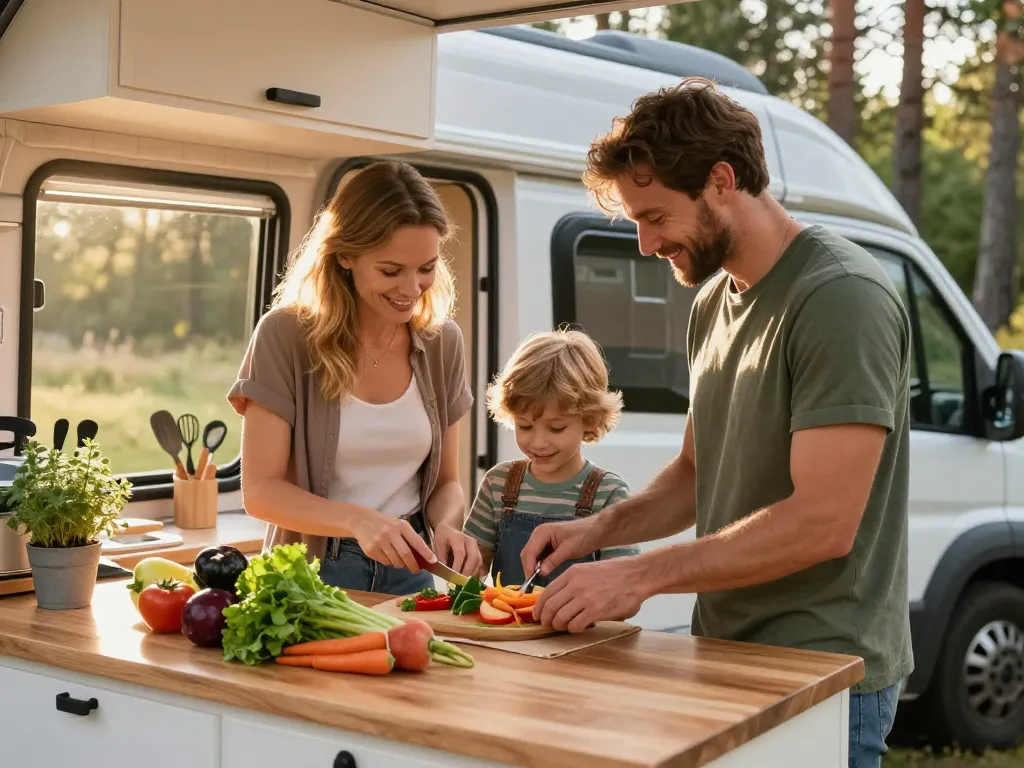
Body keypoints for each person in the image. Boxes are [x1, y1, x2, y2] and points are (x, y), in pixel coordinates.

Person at [520, 77, 914, 768]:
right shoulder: (712, 304)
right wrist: (597, 532)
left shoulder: (839, 298)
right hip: (726, 653)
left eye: (655, 216)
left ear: (722, 181)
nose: (644, 243)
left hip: (820, 675)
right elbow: (698, 475)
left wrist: (639, 577)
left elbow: (825, 521)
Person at [227, 160, 484, 595]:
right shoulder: (285, 336)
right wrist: (359, 521)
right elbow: (261, 492)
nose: (411, 288)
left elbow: (447, 483)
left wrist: (445, 527)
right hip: (312, 574)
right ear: (345, 255)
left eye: (426, 268)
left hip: (415, 569)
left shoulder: (443, 343)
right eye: (391, 270)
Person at [463, 328, 639, 587]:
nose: (538, 442)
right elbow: (473, 567)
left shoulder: (608, 492)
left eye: (556, 428)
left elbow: (623, 587)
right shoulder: (498, 483)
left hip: (579, 627)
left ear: (589, 420)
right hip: (510, 627)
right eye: (524, 426)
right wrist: (462, 559)